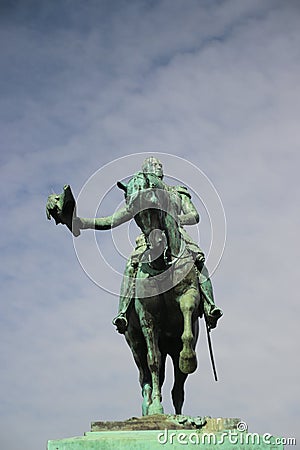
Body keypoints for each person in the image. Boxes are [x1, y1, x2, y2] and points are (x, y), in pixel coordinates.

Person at [76, 157, 222, 333]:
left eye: (159, 165)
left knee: (197, 261)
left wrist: (177, 220)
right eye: (153, 165)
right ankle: (122, 312)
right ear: (145, 172)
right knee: (131, 266)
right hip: (149, 239)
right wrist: (79, 222)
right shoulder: (141, 196)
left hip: (177, 234)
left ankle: (209, 306)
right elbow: (110, 221)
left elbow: (194, 215)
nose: (157, 167)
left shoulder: (177, 192)